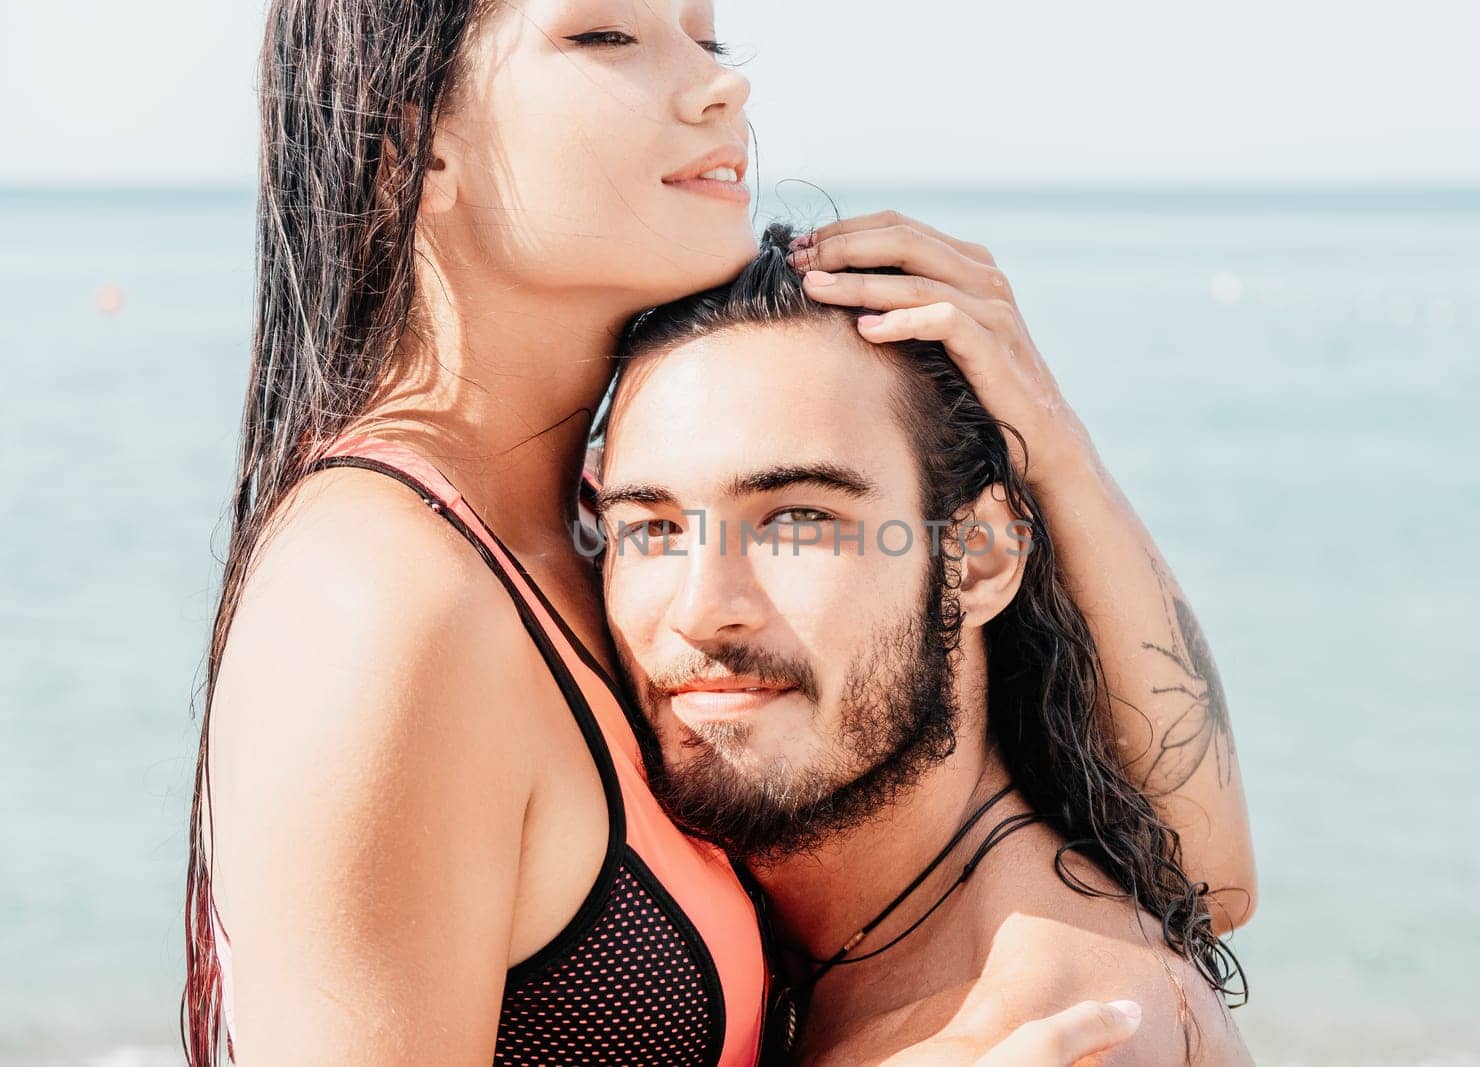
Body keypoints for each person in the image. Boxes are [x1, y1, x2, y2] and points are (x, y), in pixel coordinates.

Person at [184, 1, 1255, 1063]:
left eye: (706, 37)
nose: (720, 84)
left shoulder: (594, 531)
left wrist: (1046, 438)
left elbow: (1201, 876)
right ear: (406, 147)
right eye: (605, 36)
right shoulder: (380, 596)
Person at [594, 224, 1252, 1064]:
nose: (700, 608)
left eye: (798, 518)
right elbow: (1214, 880)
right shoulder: (802, 936)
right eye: (650, 527)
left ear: (976, 558)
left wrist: (1055, 447)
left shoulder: (1065, 1033)